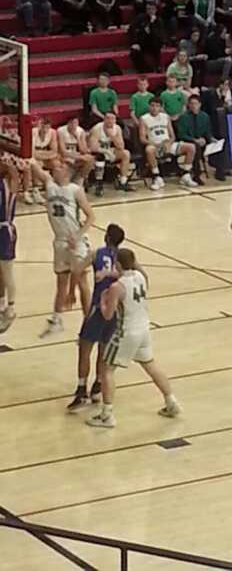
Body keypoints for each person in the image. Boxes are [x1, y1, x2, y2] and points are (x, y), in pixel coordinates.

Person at [87, 248, 181, 428]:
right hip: (144, 328)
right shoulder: (141, 277)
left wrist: (103, 301)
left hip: (126, 332)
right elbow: (134, 273)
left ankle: (107, 415)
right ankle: (171, 402)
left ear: (117, 264)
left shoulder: (117, 287)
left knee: (106, 370)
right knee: (151, 365)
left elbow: (108, 315)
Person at [31, 160, 94, 338]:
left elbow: (91, 217)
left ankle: (89, 322)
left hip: (77, 242)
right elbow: (33, 164)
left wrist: (78, 235)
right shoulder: (50, 184)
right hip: (59, 241)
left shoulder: (75, 190)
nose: (55, 168)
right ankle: (57, 320)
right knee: (61, 282)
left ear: (66, 173)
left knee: (82, 282)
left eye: (59, 167)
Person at [67, 223, 126, 411]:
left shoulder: (96, 254)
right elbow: (137, 274)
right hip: (115, 310)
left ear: (106, 237)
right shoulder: (123, 258)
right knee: (103, 348)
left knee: (85, 348)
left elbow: (77, 270)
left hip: (98, 308)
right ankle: (98, 386)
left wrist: (71, 292)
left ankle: (81, 389)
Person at [140, 97, 197, 190]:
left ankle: (185, 175)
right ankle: (157, 177)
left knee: (191, 147)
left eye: (157, 106)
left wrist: (169, 143)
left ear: (161, 107)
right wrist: (155, 144)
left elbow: (172, 136)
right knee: (149, 150)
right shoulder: (144, 118)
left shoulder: (165, 117)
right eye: (152, 106)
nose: (154, 108)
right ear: (149, 106)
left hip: (168, 144)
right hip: (155, 145)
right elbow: (142, 139)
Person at [176, 94, 225, 183]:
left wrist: (211, 138)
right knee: (196, 147)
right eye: (191, 104)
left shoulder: (205, 116)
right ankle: (197, 174)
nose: (193, 106)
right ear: (188, 105)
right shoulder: (183, 117)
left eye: (195, 104)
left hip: (202, 140)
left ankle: (220, 171)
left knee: (219, 145)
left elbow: (208, 132)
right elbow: (181, 135)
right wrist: (195, 140)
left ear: (200, 105)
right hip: (189, 142)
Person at [89, 113, 135, 196]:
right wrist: (107, 152)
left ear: (115, 120)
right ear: (104, 119)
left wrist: (112, 136)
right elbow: (92, 147)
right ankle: (99, 185)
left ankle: (123, 182)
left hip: (109, 150)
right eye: (108, 118)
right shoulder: (97, 128)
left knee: (126, 153)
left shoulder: (117, 128)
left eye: (112, 118)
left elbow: (121, 146)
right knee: (100, 157)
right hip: (96, 152)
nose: (110, 121)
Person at [0, 161, 20, 333]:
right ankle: (1, 304)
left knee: (7, 272)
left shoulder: (8, 185)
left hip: (5, 232)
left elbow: (15, 176)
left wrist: (9, 165)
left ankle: (11, 308)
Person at [128, 1, 166, 73]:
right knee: (134, 52)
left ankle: (158, 66)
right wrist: (134, 42)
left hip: (153, 43)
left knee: (156, 44)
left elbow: (159, 35)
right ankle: (145, 69)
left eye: (152, 9)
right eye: (148, 9)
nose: (150, 11)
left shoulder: (159, 20)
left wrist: (151, 23)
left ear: (156, 10)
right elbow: (131, 30)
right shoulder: (140, 18)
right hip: (141, 42)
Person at [57, 117, 95, 187]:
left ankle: (80, 177)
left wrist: (78, 138)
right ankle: (69, 179)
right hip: (65, 157)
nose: (74, 125)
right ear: (68, 123)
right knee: (65, 167)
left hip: (76, 157)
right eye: (72, 123)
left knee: (91, 159)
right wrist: (77, 157)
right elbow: (63, 151)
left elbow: (84, 150)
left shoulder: (81, 131)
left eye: (76, 123)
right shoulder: (61, 131)